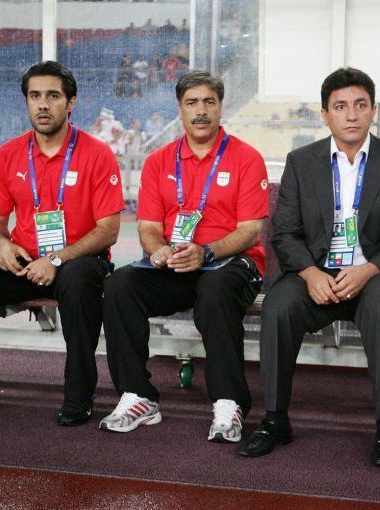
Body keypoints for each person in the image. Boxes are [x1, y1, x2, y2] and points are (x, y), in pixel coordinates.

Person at [237, 68, 380, 467]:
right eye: (340, 106)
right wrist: (310, 273)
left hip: (375, 274)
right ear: (325, 115)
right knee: (278, 307)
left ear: (373, 110)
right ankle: (274, 419)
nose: (351, 115)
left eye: (360, 105)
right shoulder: (301, 161)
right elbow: (285, 233)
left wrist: (368, 269)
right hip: (317, 273)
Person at [0, 61, 124, 426]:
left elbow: (108, 231)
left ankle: (79, 393)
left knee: (79, 282)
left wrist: (56, 259)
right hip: (25, 260)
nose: (43, 104)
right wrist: (4, 246)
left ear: (71, 102)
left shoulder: (97, 154)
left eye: (53, 96)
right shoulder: (9, 154)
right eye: (35, 96)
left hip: (80, 260)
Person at [99, 70, 269, 443]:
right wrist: (159, 250)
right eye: (192, 103)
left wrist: (206, 251)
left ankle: (228, 401)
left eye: (209, 102)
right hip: (177, 265)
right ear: (180, 109)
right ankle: (138, 395)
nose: (201, 111)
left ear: (221, 107)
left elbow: (249, 230)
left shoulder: (246, 158)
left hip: (232, 263)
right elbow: (147, 227)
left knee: (215, 288)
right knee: (120, 285)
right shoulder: (159, 161)